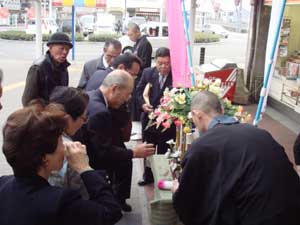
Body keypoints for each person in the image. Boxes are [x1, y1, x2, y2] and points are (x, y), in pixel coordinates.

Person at [172, 91, 300, 225]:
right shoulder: (260, 133)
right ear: (222, 110)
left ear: (196, 114)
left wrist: (177, 193)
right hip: (293, 211)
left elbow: (189, 203)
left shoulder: (203, 145)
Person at [0, 103, 122, 225]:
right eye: (60, 142)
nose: (64, 147)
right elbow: (111, 212)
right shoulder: (60, 202)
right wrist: (85, 169)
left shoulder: (3, 184)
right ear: (44, 158)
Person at [80, 70, 155, 212]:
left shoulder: (91, 96)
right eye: (127, 94)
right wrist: (134, 152)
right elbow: (103, 152)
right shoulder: (100, 111)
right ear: (114, 89)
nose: (128, 99)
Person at [136, 47, 175, 185]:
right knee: (148, 149)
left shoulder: (176, 76)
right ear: (155, 62)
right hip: (149, 120)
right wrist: (142, 105)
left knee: (164, 151)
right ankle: (148, 176)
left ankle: (163, 177)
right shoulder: (148, 73)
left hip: (167, 123)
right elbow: (139, 91)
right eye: (160, 63)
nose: (163, 67)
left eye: (167, 63)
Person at [48, 86, 90, 199]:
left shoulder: (36, 134)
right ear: (68, 119)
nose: (83, 123)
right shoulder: (71, 152)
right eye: (83, 118)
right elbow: (80, 195)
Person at [22, 32, 72, 106]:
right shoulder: (38, 67)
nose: (65, 52)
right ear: (50, 47)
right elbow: (28, 100)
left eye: (67, 49)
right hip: (41, 113)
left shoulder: (64, 67)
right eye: (61, 48)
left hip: (57, 111)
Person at [127, 22, 153, 121]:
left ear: (137, 32)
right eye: (128, 35)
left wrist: (135, 72)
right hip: (135, 76)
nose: (130, 37)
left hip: (140, 77)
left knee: (137, 101)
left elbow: (145, 63)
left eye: (131, 35)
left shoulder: (145, 44)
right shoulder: (138, 43)